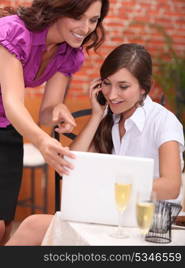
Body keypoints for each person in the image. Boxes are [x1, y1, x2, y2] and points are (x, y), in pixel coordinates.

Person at [5, 43, 185, 246]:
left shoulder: (164, 122)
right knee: (31, 226)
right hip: (110, 215)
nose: (112, 94)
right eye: (107, 84)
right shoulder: (110, 118)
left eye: (123, 87)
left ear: (144, 87)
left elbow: (171, 186)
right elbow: (68, 166)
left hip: (147, 223)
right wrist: (96, 117)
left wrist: (112, 186)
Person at [0, 0, 109, 244]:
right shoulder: (13, 32)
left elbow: (47, 111)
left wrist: (59, 110)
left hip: (5, 129)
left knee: (2, 228)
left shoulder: (69, 52)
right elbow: (12, 101)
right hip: (11, 118)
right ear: (59, 8)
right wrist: (42, 141)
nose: (85, 28)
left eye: (93, 20)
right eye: (78, 17)